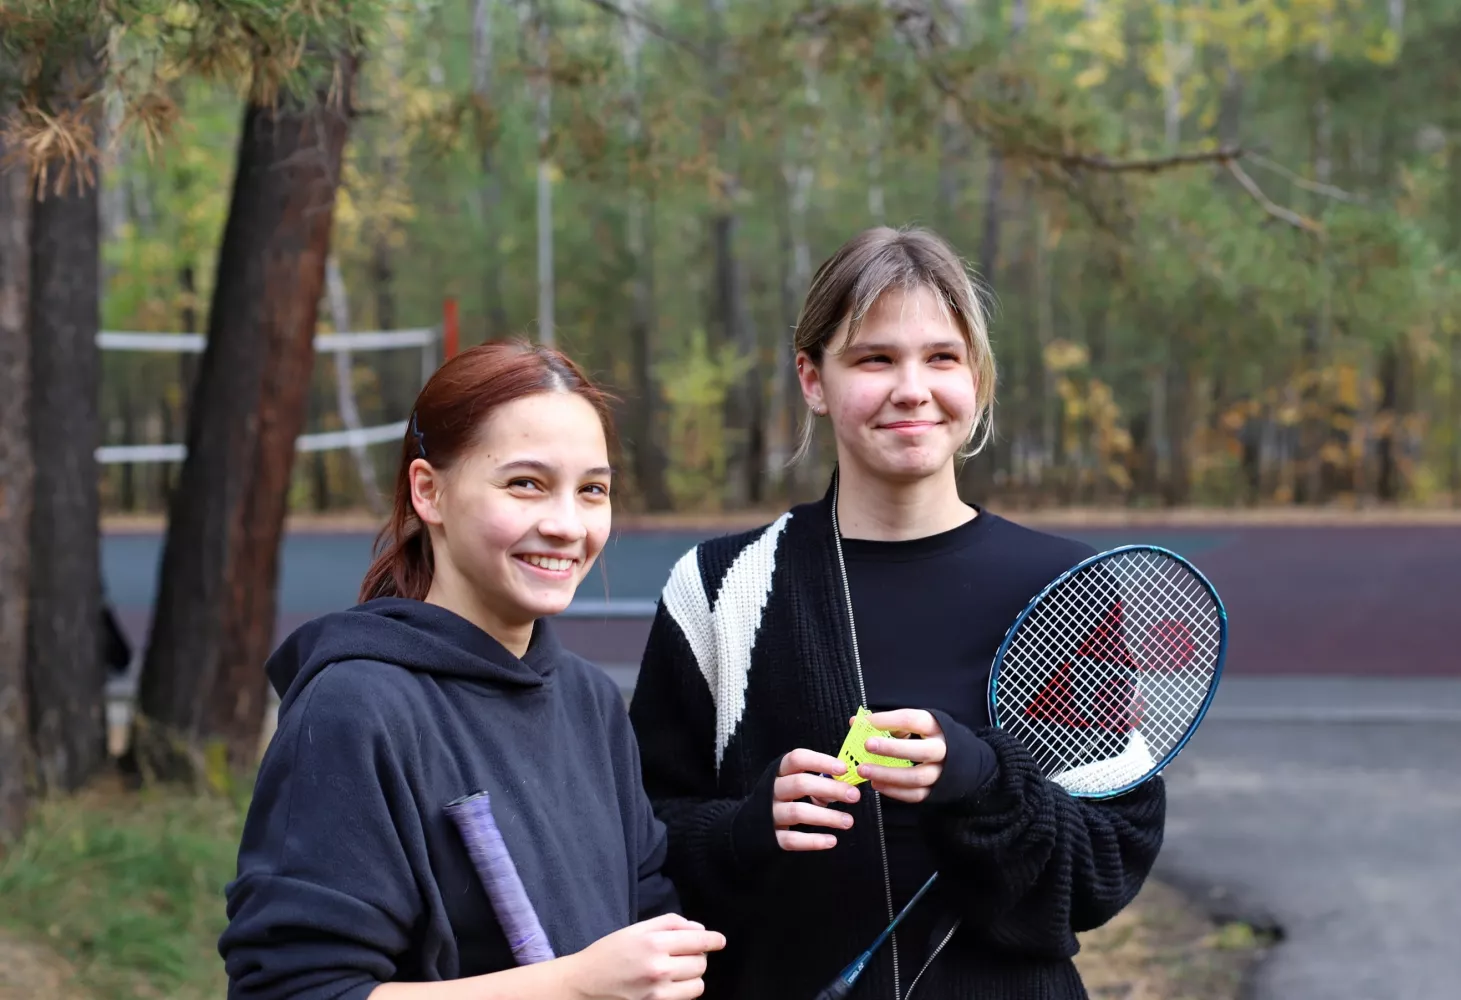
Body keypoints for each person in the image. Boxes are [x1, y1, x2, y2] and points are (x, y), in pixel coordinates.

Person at [627, 226, 1167, 1000]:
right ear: (814, 380)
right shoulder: (720, 587)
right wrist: (749, 829)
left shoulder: (1068, 588)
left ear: (975, 378)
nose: (911, 388)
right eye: (874, 358)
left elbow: (1105, 866)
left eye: (941, 358)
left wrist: (980, 778)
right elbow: (640, 839)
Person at [218, 341, 726, 1000]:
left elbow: (649, 925)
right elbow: (291, 992)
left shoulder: (590, 703)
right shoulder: (354, 708)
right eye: (526, 483)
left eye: (592, 490)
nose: (567, 525)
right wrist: (571, 986)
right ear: (428, 491)